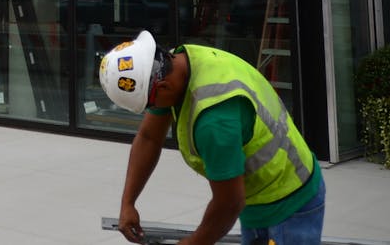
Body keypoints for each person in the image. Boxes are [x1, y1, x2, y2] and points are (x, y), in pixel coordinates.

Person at [101, 30, 324, 245]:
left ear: (163, 87)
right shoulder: (174, 64)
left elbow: (229, 203)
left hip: (290, 204)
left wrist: (192, 243)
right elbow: (149, 137)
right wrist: (127, 203)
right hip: (257, 199)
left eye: (149, 104)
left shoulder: (214, 121)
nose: (151, 111)